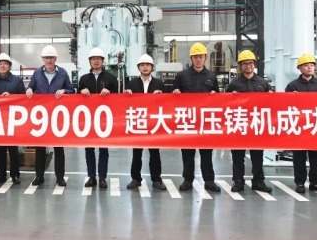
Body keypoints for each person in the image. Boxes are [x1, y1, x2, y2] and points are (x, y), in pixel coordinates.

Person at [173, 43, 220, 192]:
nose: (198, 59)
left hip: (205, 121)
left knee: (207, 152)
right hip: (188, 120)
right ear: (191, 58)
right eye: (195, 57)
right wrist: (175, 92)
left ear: (205, 58)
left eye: (200, 56)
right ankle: (188, 180)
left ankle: (209, 180)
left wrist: (215, 95)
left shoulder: (211, 76)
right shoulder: (182, 76)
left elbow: (218, 97)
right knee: (187, 152)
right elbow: (173, 96)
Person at [26, 45, 74, 187]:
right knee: (40, 148)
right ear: (43, 59)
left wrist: (64, 91)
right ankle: (39, 176)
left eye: (51, 58)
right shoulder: (37, 73)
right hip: (41, 116)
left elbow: (72, 90)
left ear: (55, 59)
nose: (49, 60)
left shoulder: (63, 73)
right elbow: (31, 87)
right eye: (46, 58)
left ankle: (60, 177)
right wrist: (29, 89)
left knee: (58, 148)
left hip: (57, 116)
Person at [226, 50, 273, 193]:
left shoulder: (262, 83)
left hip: (256, 124)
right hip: (239, 124)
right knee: (238, 155)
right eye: (245, 63)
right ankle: (238, 181)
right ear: (240, 66)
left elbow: (271, 102)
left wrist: (271, 95)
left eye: (251, 63)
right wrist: (230, 96)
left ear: (254, 64)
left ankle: (258, 181)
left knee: (257, 155)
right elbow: (225, 104)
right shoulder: (234, 84)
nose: (248, 65)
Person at [286, 53, 317, 194]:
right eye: (306, 65)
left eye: (312, 65)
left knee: (316, 157)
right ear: (300, 68)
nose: (309, 67)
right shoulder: (292, 86)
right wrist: (290, 97)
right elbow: (285, 106)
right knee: (299, 157)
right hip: (299, 126)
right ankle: (300, 183)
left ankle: (316, 182)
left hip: (316, 126)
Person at [124, 54, 167, 191]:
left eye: (148, 65)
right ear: (138, 68)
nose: (145, 67)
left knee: (154, 152)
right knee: (136, 153)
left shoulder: (159, 84)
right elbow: (126, 104)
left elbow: (167, 103)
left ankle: (156, 179)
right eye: (142, 65)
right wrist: (126, 94)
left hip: (154, 122)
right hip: (139, 122)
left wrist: (162, 95)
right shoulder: (132, 84)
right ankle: (136, 178)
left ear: (152, 67)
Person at [78, 47, 118, 189]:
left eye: (98, 59)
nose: (96, 61)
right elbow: (76, 99)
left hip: (104, 120)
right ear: (89, 61)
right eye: (93, 59)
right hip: (88, 120)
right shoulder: (83, 79)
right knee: (89, 149)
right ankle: (91, 177)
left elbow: (118, 97)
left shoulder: (110, 78)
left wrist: (110, 92)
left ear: (103, 61)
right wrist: (81, 91)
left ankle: (102, 178)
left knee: (103, 150)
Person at [0, 52, 26, 186]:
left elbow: (24, 99)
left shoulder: (17, 81)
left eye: (5, 64)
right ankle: (1, 174)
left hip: (13, 120)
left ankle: (15, 174)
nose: (2, 66)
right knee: (0, 150)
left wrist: (12, 97)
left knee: (13, 150)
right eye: (0, 64)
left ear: (9, 66)